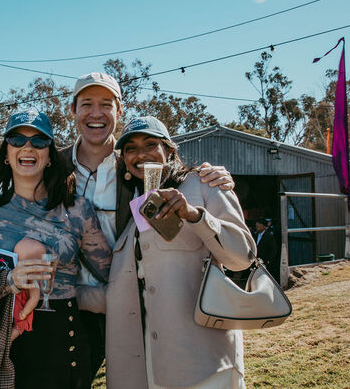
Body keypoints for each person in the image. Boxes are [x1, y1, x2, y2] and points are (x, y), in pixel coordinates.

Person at [0, 72, 237, 380]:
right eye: (87, 104)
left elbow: (173, 177)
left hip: (131, 301)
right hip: (62, 308)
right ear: (73, 110)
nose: (96, 113)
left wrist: (209, 176)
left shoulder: (135, 162)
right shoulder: (52, 162)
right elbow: (15, 203)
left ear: (119, 110)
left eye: (106, 104)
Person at [0, 109, 112, 389]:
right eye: (17, 140)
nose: (28, 147)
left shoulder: (77, 210)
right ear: (6, 154)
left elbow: (110, 272)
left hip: (65, 339)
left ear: (50, 155)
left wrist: (82, 297)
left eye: (39, 141)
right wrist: (8, 280)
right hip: (6, 340)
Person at [105, 116, 256, 388]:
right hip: (150, 366)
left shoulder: (203, 184)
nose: (141, 154)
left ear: (169, 150)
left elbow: (242, 258)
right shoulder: (130, 212)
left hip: (206, 364)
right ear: (124, 161)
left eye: (150, 144)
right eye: (130, 148)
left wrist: (194, 215)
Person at [11, 237, 45, 341]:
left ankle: (9, 339)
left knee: (18, 326)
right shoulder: (15, 273)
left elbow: (34, 298)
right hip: (13, 303)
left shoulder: (33, 278)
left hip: (23, 306)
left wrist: (25, 312)